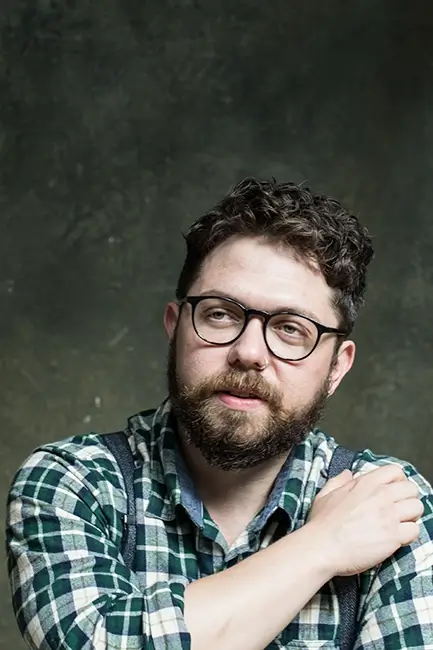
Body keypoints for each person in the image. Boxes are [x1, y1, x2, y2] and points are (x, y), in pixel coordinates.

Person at [6, 178, 433, 650]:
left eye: (292, 328)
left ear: (337, 367)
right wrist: (323, 545)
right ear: (175, 328)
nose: (249, 352)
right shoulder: (73, 483)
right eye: (221, 314)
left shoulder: (389, 506)